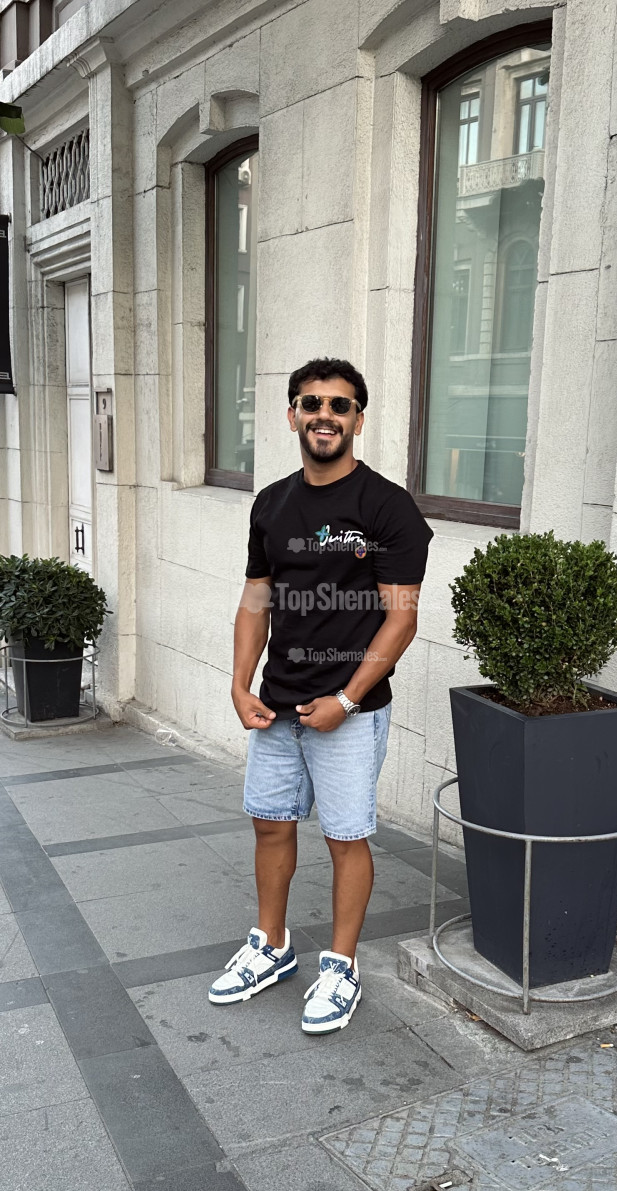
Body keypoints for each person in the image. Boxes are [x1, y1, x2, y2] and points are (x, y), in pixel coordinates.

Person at [209, 358, 434, 1033]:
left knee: (345, 837)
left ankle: (340, 966)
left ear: (358, 419)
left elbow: (401, 619)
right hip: (277, 704)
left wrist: (348, 698)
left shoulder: (386, 507)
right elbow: (256, 600)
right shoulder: (271, 504)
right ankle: (271, 946)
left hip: (349, 710)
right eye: (311, 404)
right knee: (270, 824)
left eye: (339, 405)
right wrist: (239, 683)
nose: (324, 415)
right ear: (291, 416)